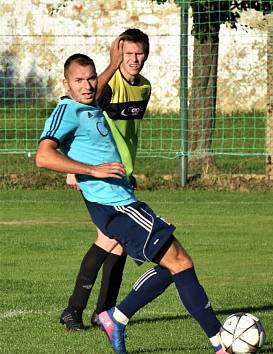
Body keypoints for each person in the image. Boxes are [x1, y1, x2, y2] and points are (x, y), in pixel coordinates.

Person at [36, 54, 226, 354]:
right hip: (115, 207)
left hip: (124, 201)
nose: (87, 86)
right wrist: (91, 170)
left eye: (91, 78)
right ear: (66, 84)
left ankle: (116, 316)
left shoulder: (90, 105)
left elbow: (97, 89)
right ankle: (219, 342)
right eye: (78, 81)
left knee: (173, 267)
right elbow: (43, 156)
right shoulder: (68, 110)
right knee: (181, 263)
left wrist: (113, 61)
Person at [59, 28, 153, 331]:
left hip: (121, 175)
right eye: (128, 54)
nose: (134, 59)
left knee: (118, 243)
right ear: (118, 55)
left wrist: (129, 170)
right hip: (98, 173)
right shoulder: (107, 86)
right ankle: (77, 310)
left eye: (139, 53)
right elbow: (83, 109)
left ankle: (102, 312)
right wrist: (74, 169)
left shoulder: (145, 88)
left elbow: (126, 136)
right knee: (110, 238)